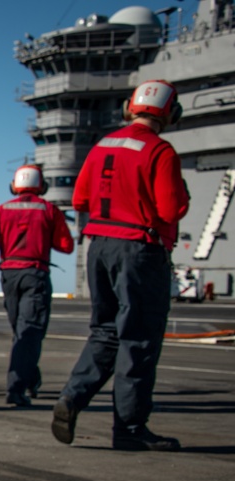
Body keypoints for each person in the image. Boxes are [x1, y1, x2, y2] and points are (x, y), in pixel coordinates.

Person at [52, 80, 189, 451]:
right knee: (139, 338)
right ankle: (129, 429)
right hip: (139, 249)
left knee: (105, 332)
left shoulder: (101, 146)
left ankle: (72, 397)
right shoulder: (161, 151)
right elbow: (170, 209)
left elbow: (80, 199)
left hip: (99, 247)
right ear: (170, 112)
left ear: (131, 106)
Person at [0, 164, 74, 407]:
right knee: (30, 332)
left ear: (14, 186)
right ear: (42, 186)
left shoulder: (2, 210)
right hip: (35, 273)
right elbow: (66, 246)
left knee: (21, 331)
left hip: (9, 275)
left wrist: (2, 234)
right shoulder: (49, 210)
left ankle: (30, 378)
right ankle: (16, 388)